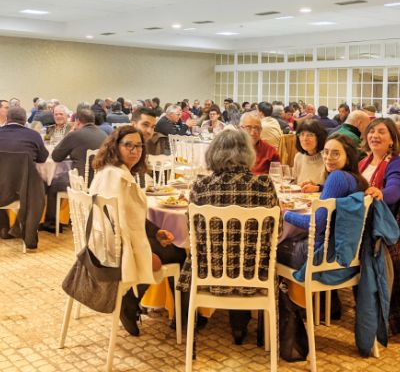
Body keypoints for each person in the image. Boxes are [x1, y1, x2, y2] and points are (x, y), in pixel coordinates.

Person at [177, 129, 281, 345]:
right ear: (248, 154)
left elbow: (192, 233)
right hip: (255, 276)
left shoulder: (201, 187)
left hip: (209, 275)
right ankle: (241, 326)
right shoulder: (264, 186)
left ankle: (190, 322)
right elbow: (276, 232)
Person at [90, 126, 186, 336]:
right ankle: (176, 316)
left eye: (139, 146)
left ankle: (168, 312)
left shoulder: (113, 171)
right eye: (128, 145)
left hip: (113, 242)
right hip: (117, 248)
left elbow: (131, 217)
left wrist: (156, 232)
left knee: (171, 247)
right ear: (115, 146)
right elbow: (115, 224)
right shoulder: (116, 177)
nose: (135, 151)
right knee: (180, 254)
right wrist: (141, 255)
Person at [278, 134, 369, 271]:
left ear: (348, 157)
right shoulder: (356, 179)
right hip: (344, 254)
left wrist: (284, 213)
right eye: (326, 152)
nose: (328, 158)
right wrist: (320, 188)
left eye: (335, 154)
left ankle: (281, 285)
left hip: (319, 255)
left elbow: (317, 223)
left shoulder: (337, 176)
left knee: (267, 246)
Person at [358, 118, 400, 334]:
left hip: (382, 228)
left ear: (392, 139)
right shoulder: (363, 162)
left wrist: (380, 193)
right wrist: (318, 186)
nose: (375, 135)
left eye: (381, 132)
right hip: (362, 222)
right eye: (372, 131)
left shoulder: (395, 162)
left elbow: (395, 190)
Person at [43, 109, 107, 233]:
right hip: (101, 180)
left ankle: (52, 222)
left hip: (81, 181)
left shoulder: (75, 135)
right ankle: (66, 219)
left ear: (77, 122)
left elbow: (56, 156)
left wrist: (70, 134)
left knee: (53, 184)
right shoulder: (104, 134)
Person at [0, 107, 48, 240]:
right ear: (25, 120)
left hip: (1, 187)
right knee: (41, 187)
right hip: (24, 190)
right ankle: (19, 227)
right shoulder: (33, 135)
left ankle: (3, 226)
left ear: (7, 119)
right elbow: (42, 158)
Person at [293, 119, 327, 187]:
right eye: (302, 134)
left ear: (319, 138)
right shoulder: (298, 157)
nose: (305, 139)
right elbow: (295, 184)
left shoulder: (327, 158)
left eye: (310, 135)